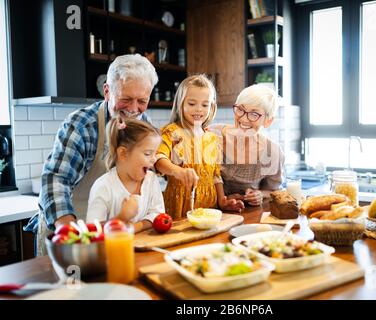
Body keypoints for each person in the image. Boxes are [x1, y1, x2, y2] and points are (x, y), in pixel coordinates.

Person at [24, 54, 159, 255]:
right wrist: (71, 234)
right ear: (107, 91)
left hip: (114, 233)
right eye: (125, 99)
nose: (133, 109)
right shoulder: (82, 125)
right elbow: (56, 180)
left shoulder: (143, 124)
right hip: (73, 227)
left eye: (142, 100)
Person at [154, 74, 244, 219]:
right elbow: (159, 160)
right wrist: (178, 172)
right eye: (191, 103)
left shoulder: (212, 138)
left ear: (211, 106)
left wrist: (222, 201)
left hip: (209, 207)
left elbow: (215, 176)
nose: (198, 109)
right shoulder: (172, 132)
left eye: (204, 105)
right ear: (180, 104)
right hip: (180, 206)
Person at [209, 84, 284, 206]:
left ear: (268, 121)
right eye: (240, 109)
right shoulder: (212, 135)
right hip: (207, 213)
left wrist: (260, 194)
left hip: (247, 216)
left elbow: (274, 191)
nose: (244, 119)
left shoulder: (272, 152)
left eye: (254, 114)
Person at [86, 116, 164, 233]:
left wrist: (134, 227)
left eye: (155, 153)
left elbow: (157, 214)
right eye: (148, 153)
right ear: (123, 153)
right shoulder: (103, 186)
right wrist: (122, 218)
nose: (154, 159)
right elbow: (92, 231)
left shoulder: (151, 179)